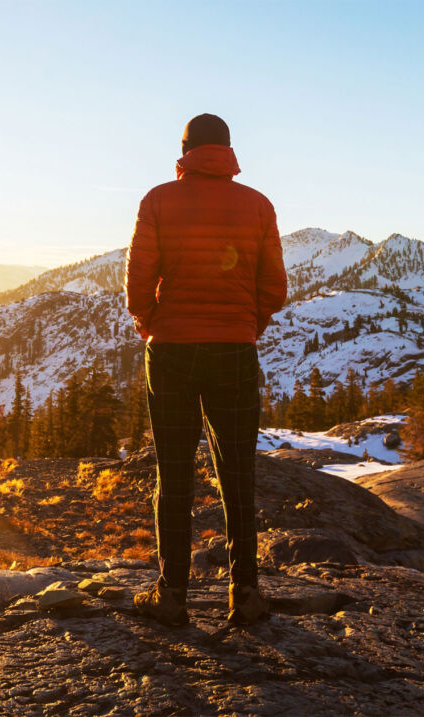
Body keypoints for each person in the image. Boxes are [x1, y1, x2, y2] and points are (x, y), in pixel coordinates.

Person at [124, 113, 288, 626]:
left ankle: (172, 594)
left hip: (170, 350)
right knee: (238, 472)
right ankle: (247, 593)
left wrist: (151, 322)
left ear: (185, 149)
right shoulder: (258, 205)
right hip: (234, 350)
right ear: (229, 150)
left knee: (172, 473)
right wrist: (248, 323)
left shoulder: (157, 200)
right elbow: (274, 286)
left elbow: (138, 277)